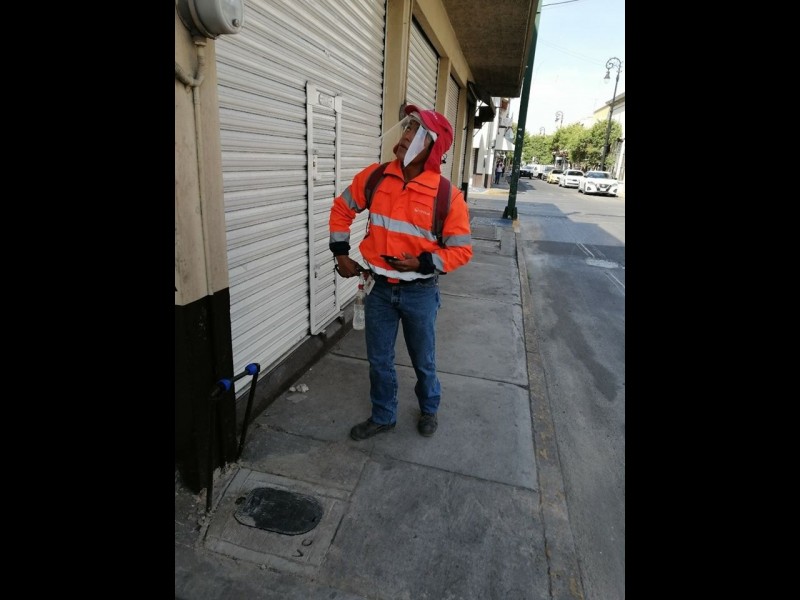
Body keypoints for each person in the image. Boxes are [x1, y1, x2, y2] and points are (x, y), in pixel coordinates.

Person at [328, 104, 473, 440]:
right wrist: (340, 253)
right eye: (407, 127)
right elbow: (341, 209)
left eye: (417, 131)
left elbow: (461, 251)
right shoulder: (377, 177)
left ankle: (429, 408)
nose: (406, 134)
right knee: (379, 360)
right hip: (378, 289)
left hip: (419, 293)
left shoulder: (446, 196)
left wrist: (423, 262)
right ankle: (384, 415)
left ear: (432, 147)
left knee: (424, 360)